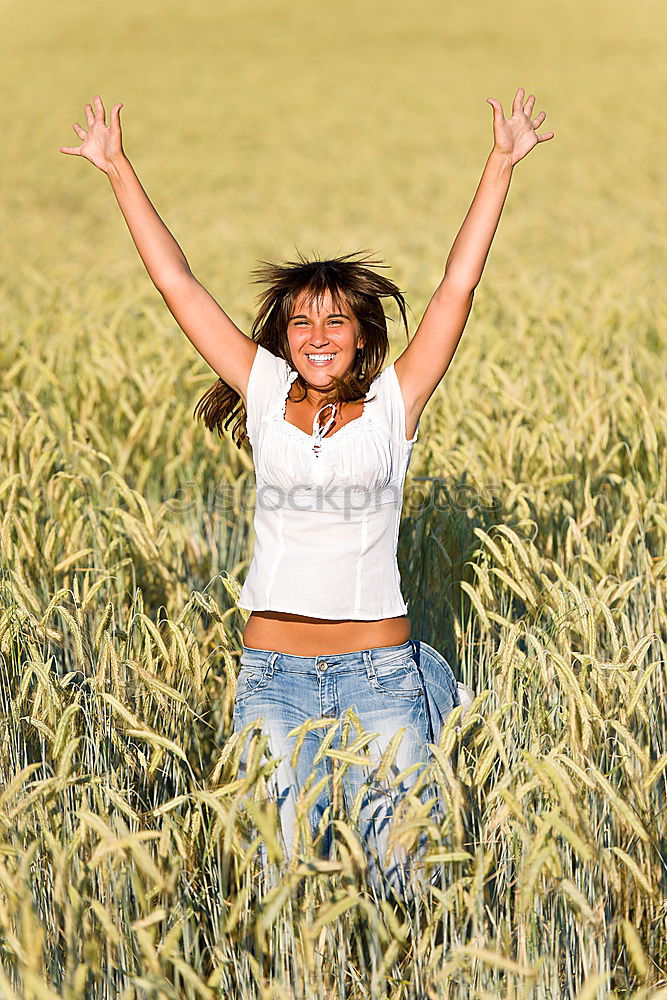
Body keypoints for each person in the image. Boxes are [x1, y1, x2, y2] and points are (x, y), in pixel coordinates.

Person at [60, 89, 553, 898]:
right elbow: (177, 284)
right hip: (272, 675)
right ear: (281, 337)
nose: (317, 336)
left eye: (335, 322)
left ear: (362, 334)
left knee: (407, 885)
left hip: (380, 675)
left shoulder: (393, 405)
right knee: (275, 886)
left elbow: (455, 290)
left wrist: (499, 163)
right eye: (300, 323)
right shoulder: (261, 392)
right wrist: (117, 168)